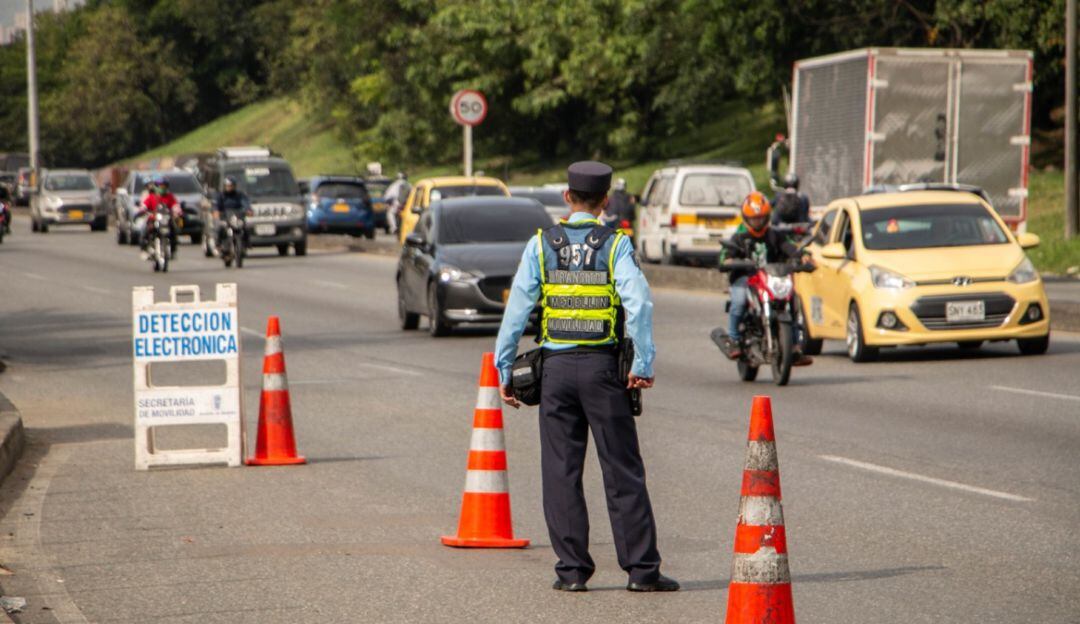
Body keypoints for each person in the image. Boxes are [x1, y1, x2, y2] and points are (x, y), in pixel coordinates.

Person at [495, 161, 678, 594]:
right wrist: (643, 364)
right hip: (602, 372)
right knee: (622, 470)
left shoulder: (541, 244)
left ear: (566, 198)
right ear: (607, 200)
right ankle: (641, 571)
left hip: (555, 373)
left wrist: (505, 368)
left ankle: (573, 571)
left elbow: (517, 311)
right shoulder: (614, 245)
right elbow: (640, 306)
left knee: (561, 471)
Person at [720, 191, 812, 364]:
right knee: (738, 302)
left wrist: (803, 256)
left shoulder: (774, 234)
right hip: (745, 279)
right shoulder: (739, 236)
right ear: (746, 218)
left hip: (771, 278)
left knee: (792, 299)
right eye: (754, 219)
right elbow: (725, 254)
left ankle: (794, 345)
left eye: (761, 218)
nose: (757, 222)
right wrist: (729, 260)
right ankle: (732, 339)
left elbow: (789, 247)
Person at [138, 177, 181, 256]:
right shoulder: (152, 196)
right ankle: (145, 248)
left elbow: (175, 205)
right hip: (153, 219)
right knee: (146, 231)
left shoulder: (170, 196)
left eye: (164, 186)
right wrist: (142, 209)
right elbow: (144, 205)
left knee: (173, 231)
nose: (162, 188)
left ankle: (173, 250)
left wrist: (177, 211)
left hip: (166, 219)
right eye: (160, 186)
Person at [214, 177, 251, 251]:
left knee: (245, 228)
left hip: (237, 218)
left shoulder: (239, 195)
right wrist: (217, 212)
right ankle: (218, 244)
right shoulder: (221, 196)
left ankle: (246, 244)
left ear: (234, 186)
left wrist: (248, 210)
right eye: (228, 186)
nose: (229, 187)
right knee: (220, 228)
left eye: (231, 186)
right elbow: (217, 206)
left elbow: (245, 203)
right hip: (225, 217)